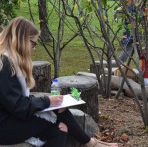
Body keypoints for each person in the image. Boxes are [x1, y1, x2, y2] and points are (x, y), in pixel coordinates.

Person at [0, 17, 118, 147]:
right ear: (21, 39)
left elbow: (14, 100)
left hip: (10, 119)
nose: (34, 48)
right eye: (33, 43)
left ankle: (90, 143)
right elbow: (18, 106)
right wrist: (47, 102)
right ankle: (90, 143)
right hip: (5, 126)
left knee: (60, 120)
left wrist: (49, 101)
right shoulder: (5, 64)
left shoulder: (10, 61)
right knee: (59, 126)